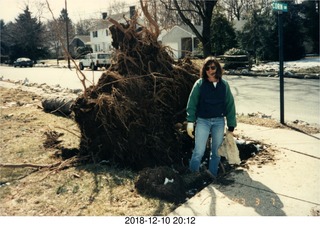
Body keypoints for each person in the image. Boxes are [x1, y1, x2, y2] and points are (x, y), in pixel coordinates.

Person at [186, 56, 237, 179]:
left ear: (217, 68)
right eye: (207, 68)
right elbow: (191, 103)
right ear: (204, 70)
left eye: (213, 67)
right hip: (203, 121)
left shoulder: (224, 85)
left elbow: (230, 105)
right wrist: (190, 122)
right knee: (199, 150)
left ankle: (212, 175)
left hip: (219, 122)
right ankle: (193, 175)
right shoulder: (199, 84)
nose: (210, 70)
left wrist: (231, 124)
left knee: (216, 151)